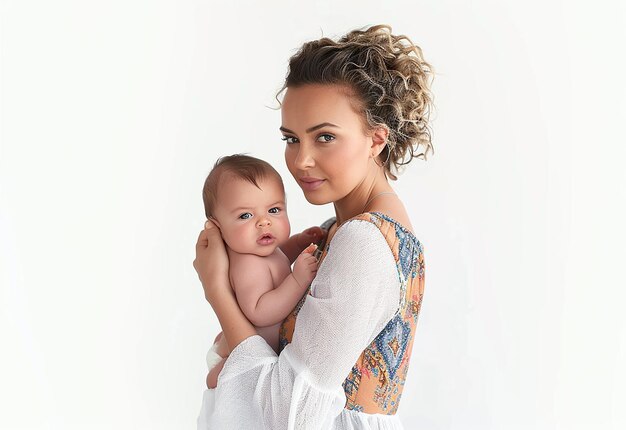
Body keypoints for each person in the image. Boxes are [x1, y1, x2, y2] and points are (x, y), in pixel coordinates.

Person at [194, 24, 432, 429]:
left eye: (324, 137)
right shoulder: (339, 229)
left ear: (376, 139)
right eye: (291, 138)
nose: (300, 160)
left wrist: (216, 290)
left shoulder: (365, 242)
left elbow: (289, 414)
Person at [201, 154, 322, 389]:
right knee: (221, 380)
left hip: (252, 347)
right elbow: (259, 311)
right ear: (217, 227)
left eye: (274, 210)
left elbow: (277, 262)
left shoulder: (259, 252)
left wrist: (297, 243)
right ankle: (215, 375)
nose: (264, 222)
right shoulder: (246, 263)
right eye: (245, 215)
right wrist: (297, 280)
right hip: (239, 353)